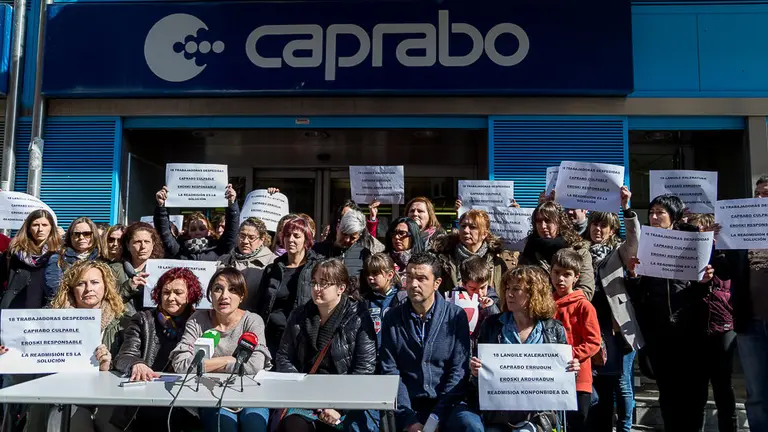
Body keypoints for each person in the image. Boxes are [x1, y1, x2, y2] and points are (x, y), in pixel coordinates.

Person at [627, 194, 715, 432]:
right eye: (652, 212)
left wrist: (705, 279)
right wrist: (634, 277)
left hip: (691, 330)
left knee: (694, 392)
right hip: (660, 332)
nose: (654, 217)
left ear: (673, 216)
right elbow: (639, 294)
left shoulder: (693, 241)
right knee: (668, 393)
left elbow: (704, 287)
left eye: (660, 213)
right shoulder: (646, 243)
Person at [379, 252, 483, 432]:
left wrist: (436, 417)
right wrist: (409, 419)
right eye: (409, 277)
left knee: (471, 426)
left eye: (421, 278)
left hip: (448, 403)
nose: (413, 284)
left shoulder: (455, 316)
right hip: (408, 405)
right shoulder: (393, 318)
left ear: (437, 283)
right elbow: (390, 370)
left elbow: (459, 371)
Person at [470, 265, 580, 431]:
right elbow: (478, 377)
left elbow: (563, 379)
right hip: (499, 414)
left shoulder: (553, 328)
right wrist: (476, 371)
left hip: (538, 415)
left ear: (534, 293)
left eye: (516, 289)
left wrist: (572, 369)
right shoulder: (492, 325)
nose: (509, 294)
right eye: (507, 288)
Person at [275, 258, 377, 432]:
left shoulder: (359, 318)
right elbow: (284, 357)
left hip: (344, 399)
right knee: (293, 425)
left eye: (324, 284)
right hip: (306, 397)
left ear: (341, 288)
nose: (316, 289)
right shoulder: (299, 314)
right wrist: (301, 389)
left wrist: (339, 407)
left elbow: (365, 368)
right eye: (314, 282)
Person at [30, 260, 128, 432]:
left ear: (106, 287)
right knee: (69, 420)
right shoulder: (51, 320)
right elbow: (31, 357)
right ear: (71, 289)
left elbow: (129, 362)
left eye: (95, 282)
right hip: (65, 396)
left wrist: (107, 367)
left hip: (106, 397)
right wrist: (11, 351)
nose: (89, 288)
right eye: (81, 283)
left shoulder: (123, 322)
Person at [170, 268, 271, 432]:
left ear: (242, 296)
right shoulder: (198, 320)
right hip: (210, 394)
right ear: (210, 295)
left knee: (254, 425)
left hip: (249, 393)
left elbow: (255, 366)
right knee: (224, 426)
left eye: (232, 290)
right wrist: (227, 360)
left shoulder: (252, 321)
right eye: (218, 289)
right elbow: (181, 364)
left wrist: (207, 365)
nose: (224, 296)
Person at [112, 267, 203, 430]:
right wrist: (136, 363)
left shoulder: (200, 322)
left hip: (188, 401)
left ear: (190, 295)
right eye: (166, 292)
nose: (171, 297)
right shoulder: (143, 319)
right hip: (146, 402)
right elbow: (124, 355)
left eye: (178, 292)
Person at [584, 187, 644, 432]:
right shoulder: (580, 250)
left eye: (604, 226)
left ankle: (625, 428)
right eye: (595, 225)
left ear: (611, 230)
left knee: (621, 382)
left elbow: (634, 239)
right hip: (591, 321)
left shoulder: (619, 251)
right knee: (601, 382)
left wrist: (626, 209)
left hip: (616, 324)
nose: (598, 230)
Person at [686, 213, 737, 432]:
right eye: (696, 231)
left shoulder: (725, 256)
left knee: (723, 387)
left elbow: (728, 274)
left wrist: (714, 249)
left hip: (722, 328)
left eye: (704, 230)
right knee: (696, 390)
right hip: (695, 329)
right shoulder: (687, 254)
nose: (700, 235)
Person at [726, 174, 768, 432]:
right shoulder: (741, 233)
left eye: (767, 193)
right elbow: (722, 269)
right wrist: (714, 240)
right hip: (750, 323)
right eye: (759, 194)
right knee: (756, 393)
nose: (762, 198)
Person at [550, 249, 601, 432]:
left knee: (578, 421)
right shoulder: (546, 304)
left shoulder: (584, 306)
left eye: (567, 275)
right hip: (551, 376)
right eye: (556, 273)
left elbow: (593, 342)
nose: (561, 279)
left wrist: (568, 355)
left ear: (576, 277)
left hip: (579, 376)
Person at [255, 217, 320, 357]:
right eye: (287, 235)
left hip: (303, 337)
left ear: (306, 240)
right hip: (272, 337)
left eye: (296, 236)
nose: (290, 239)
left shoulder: (317, 268)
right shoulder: (272, 269)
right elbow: (261, 305)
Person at [520, 200, 595, 300]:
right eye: (538, 221)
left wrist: (554, 304)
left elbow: (586, 291)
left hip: (568, 312)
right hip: (534, 311)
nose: (543, 226)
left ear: (559, 222)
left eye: (548, 221)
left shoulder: (579, 251)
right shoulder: (529, 250)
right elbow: (519, 283)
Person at [431, 209, 517, 293]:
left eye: (472, 227)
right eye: (463, 226)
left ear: (484, 234)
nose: (466, 230)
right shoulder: (444, 258)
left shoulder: (497, 262)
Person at [153, 184, 239, 261]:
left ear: (209, 231)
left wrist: (231, 204)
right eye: (193, 229)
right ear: (188, 232)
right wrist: (162, 206)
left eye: (202, 228)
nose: (197, 232)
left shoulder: (219, 249)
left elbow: (231, 230)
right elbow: (164, 232)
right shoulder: (178, 250)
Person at [0, 209, 61, 310]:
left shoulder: (59, 254)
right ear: (28, 228)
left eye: (45, 225)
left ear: (51, 228)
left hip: (47, 311)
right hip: (14, 309)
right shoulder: (13, 252)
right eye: (35, 225)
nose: (40, 229)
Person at [217, 217, 277, 310]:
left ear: (262, 239)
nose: (245, 241)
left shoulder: (272, 263)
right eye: (242, 236)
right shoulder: (223, 260)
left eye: (251, 237)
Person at [110, 222, 166, 315]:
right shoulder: (112, 270)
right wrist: (128, 287)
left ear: (153, 244)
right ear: (128, 245)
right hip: (121, 326)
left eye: (147, 242)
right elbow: (107, 302)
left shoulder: (162, 270)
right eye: (137, 242)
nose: (143, 246)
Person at [45, 217, 104, 300]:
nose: (81, 237)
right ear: (70, 236)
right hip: (67, 307)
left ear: (94, 235)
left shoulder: (102, 258)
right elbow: (53, 287)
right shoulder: (58, 258)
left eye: (86, 234)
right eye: (76, 234)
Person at [453, 255, 500, 350]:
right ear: (463, 284)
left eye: (483, 287)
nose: (479, 293)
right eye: (473, 289)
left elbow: (498, 327)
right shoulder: (453, 299)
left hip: (485, 350)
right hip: (461, 350)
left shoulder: (495, 301)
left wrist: (490, 308)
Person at [313, 210, 375, 279]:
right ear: (338, 227)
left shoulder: (363, 254)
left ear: (359, 236)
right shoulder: (318, 250)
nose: (347, 240)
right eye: (344, 233)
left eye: (352, 237)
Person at [363, 253, 405, 343]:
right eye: (367, 273)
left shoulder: (402, 299)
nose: (370, 277)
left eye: (375, 273)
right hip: (372, 354)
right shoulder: (364, 301)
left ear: (389, 275)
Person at [383, 217, 424, 286]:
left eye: (402, 233)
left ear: (413, 235)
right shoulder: (383, 260)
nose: (396, 237)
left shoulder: (424, 261)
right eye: (393, 233)